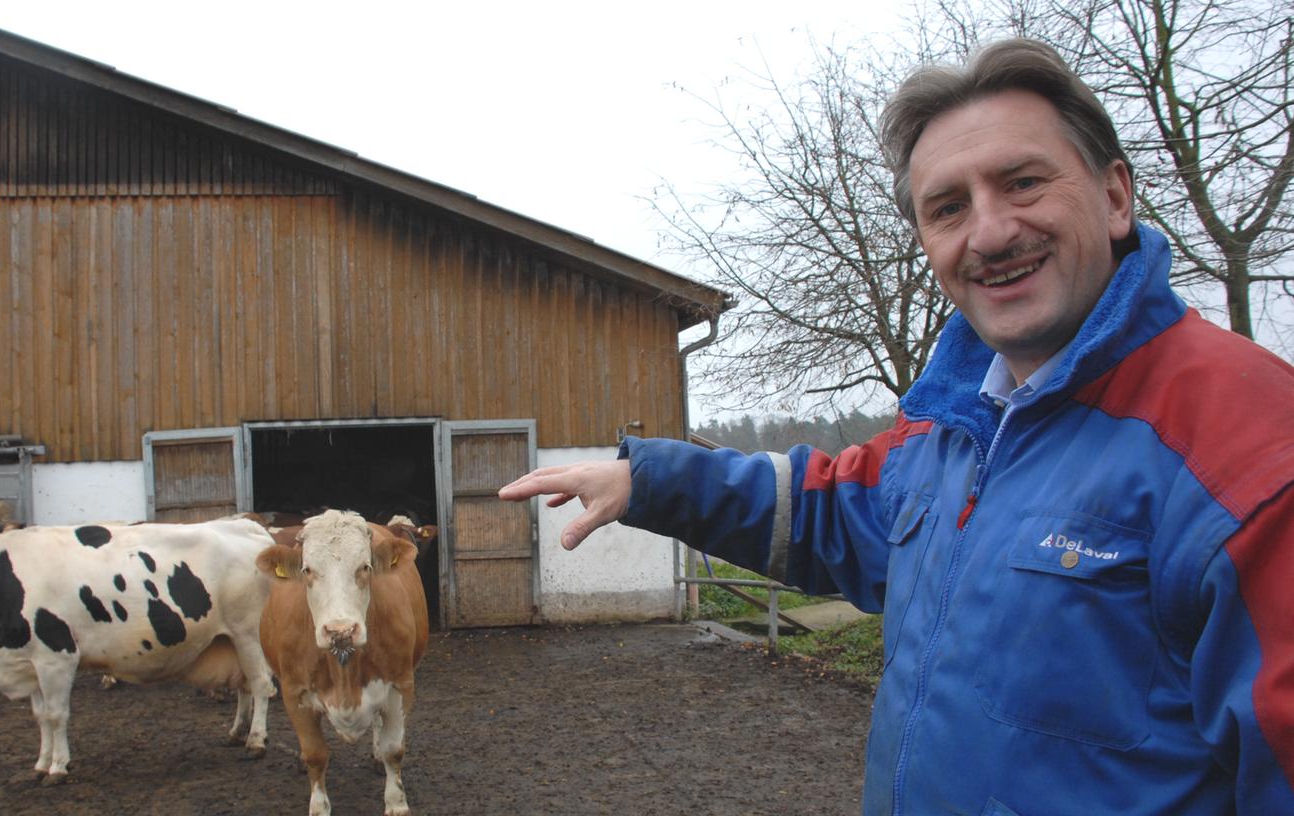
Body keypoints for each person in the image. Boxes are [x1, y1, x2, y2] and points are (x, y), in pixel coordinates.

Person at [499, 38, 1294, 814]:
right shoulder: (950, 428)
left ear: (1116, 196)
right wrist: (648, 479)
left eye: (1022, 183)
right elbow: (828, 508)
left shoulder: (1246, 445)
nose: (988, 232)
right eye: (947, 208)